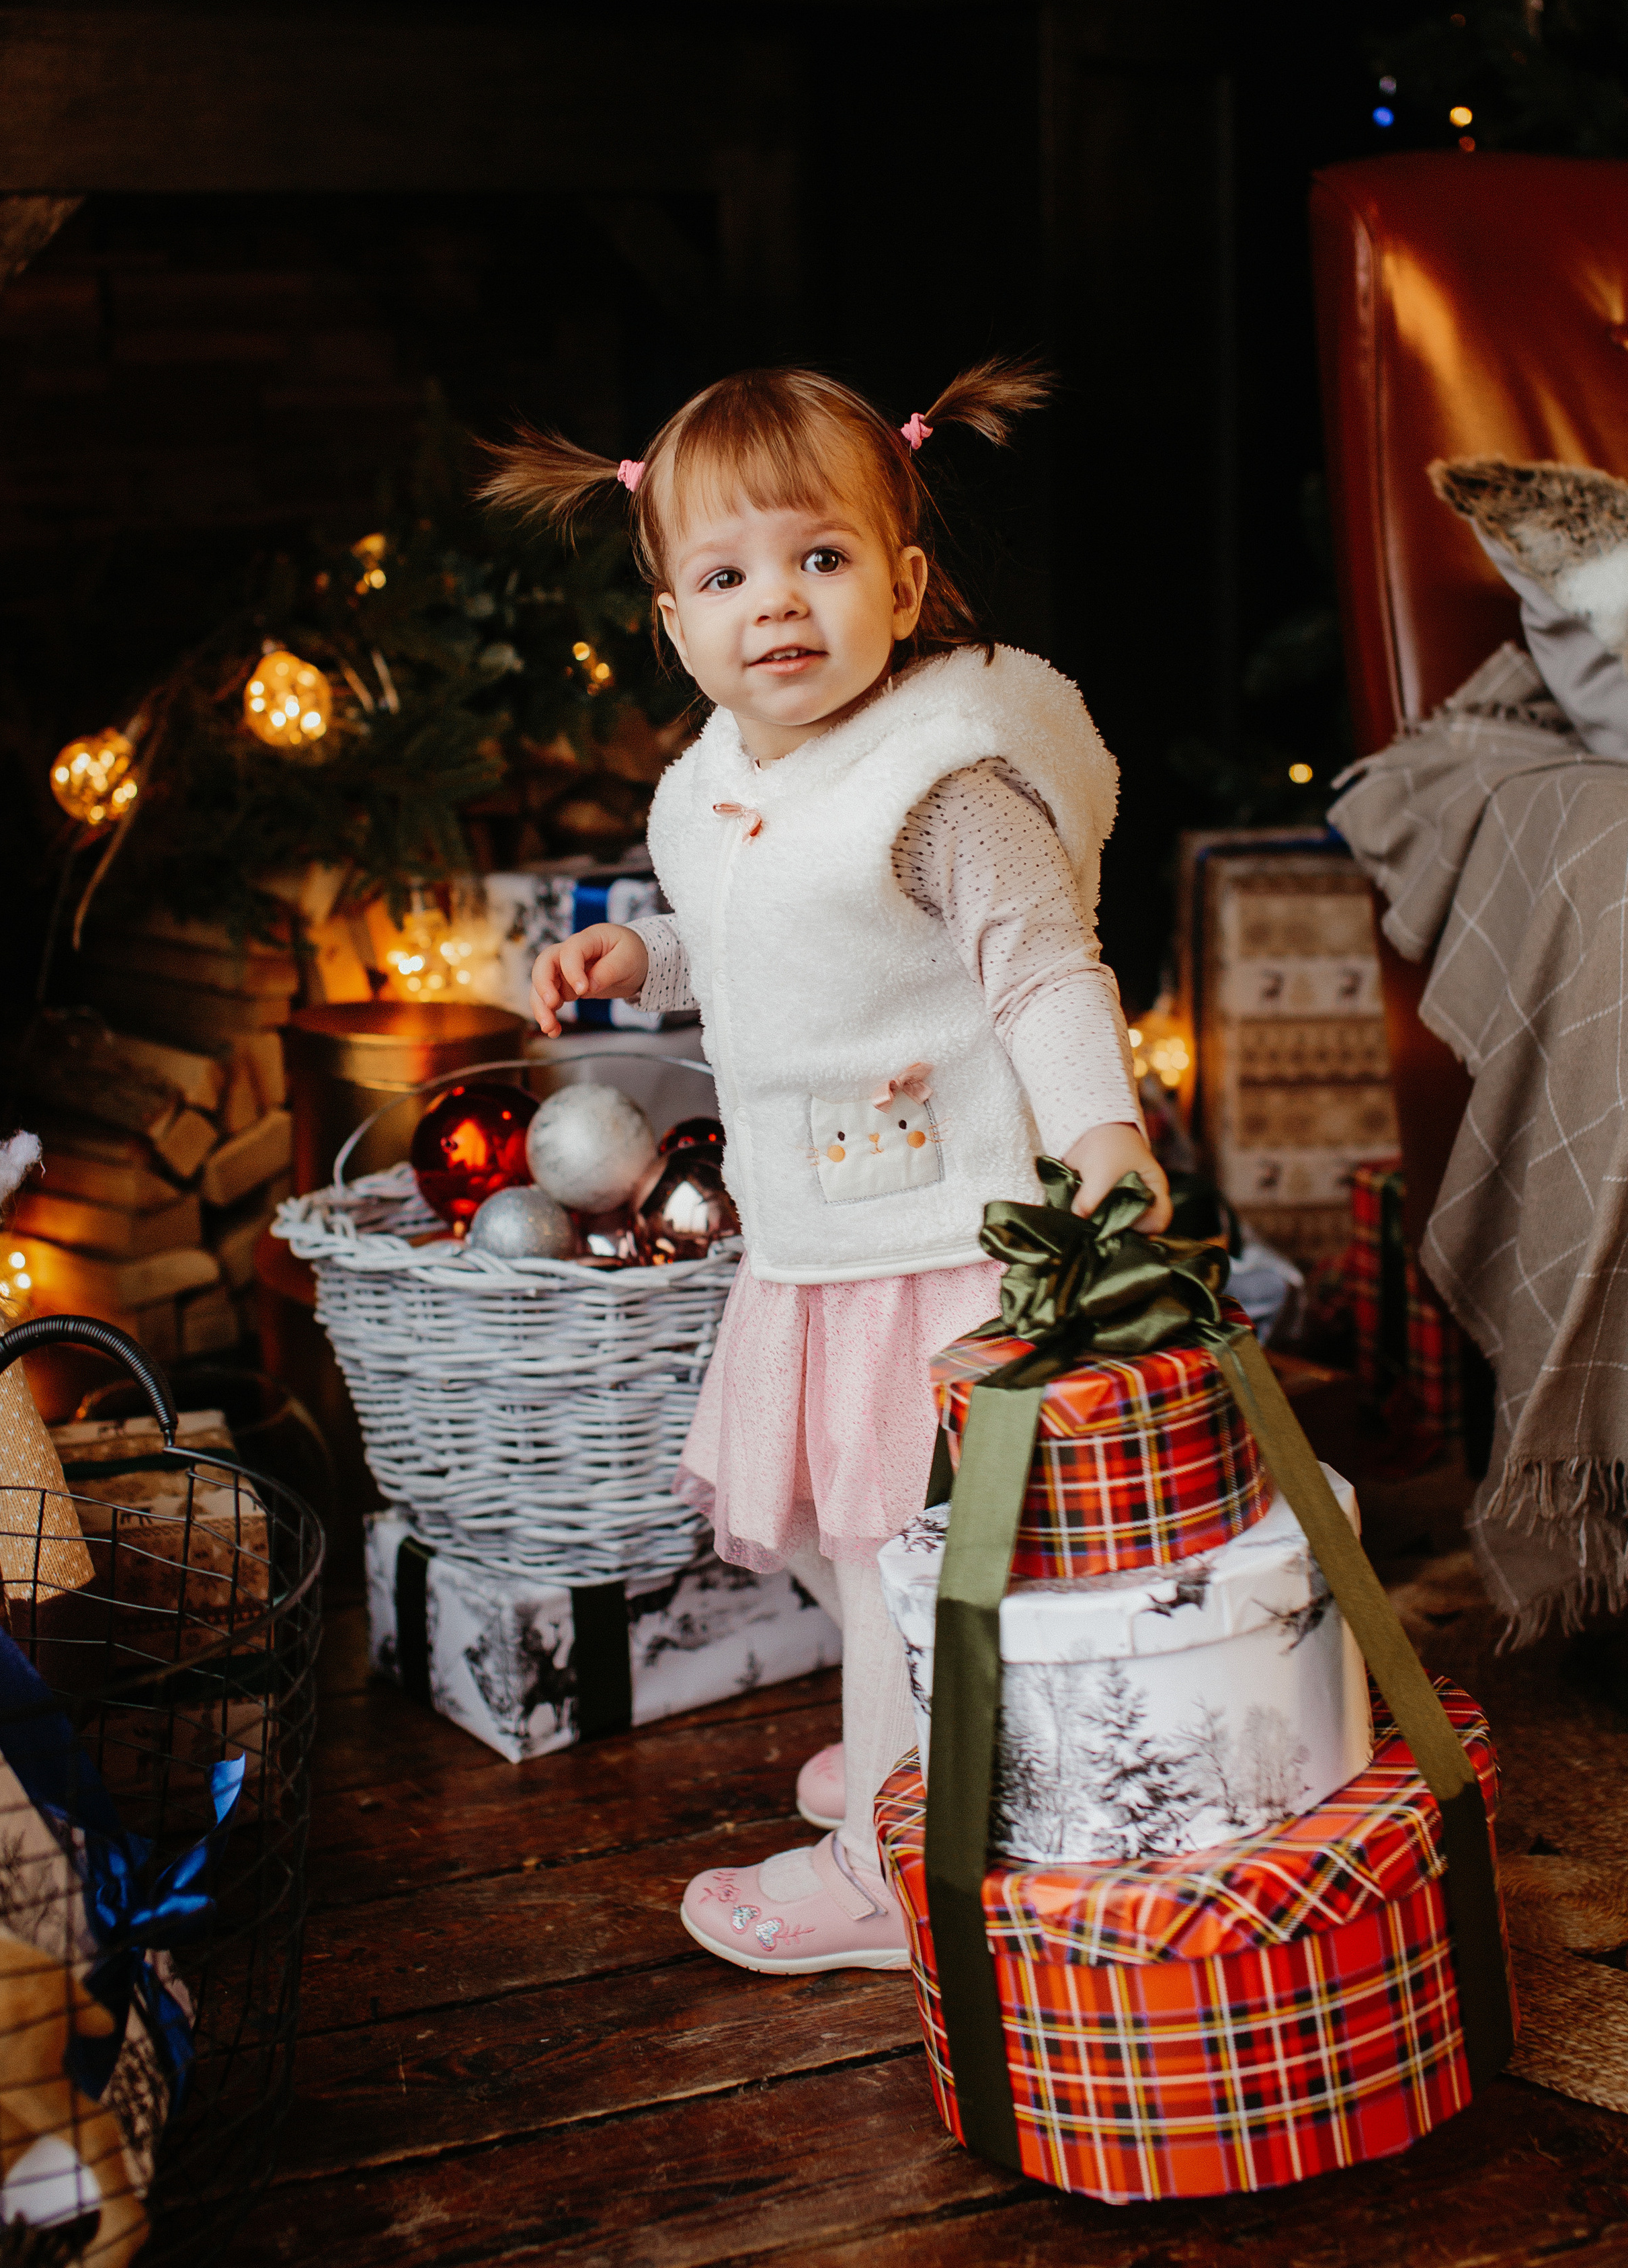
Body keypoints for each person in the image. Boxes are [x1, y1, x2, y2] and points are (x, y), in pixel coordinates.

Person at [483, 360, 1169, 1976]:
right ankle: (927, 1752)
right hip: (819, 1240)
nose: (774, 609)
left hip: (948, 1236)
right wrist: (632, 963)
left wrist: (1103, 1137)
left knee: (889, 1559)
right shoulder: (722, 779)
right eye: (725, 578)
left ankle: (889, 1864)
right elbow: (761, 945)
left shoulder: (943, 786)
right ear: (671, 620)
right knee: (828, 1534)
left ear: (903, 583)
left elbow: (1043, 973)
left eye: (820, 561)